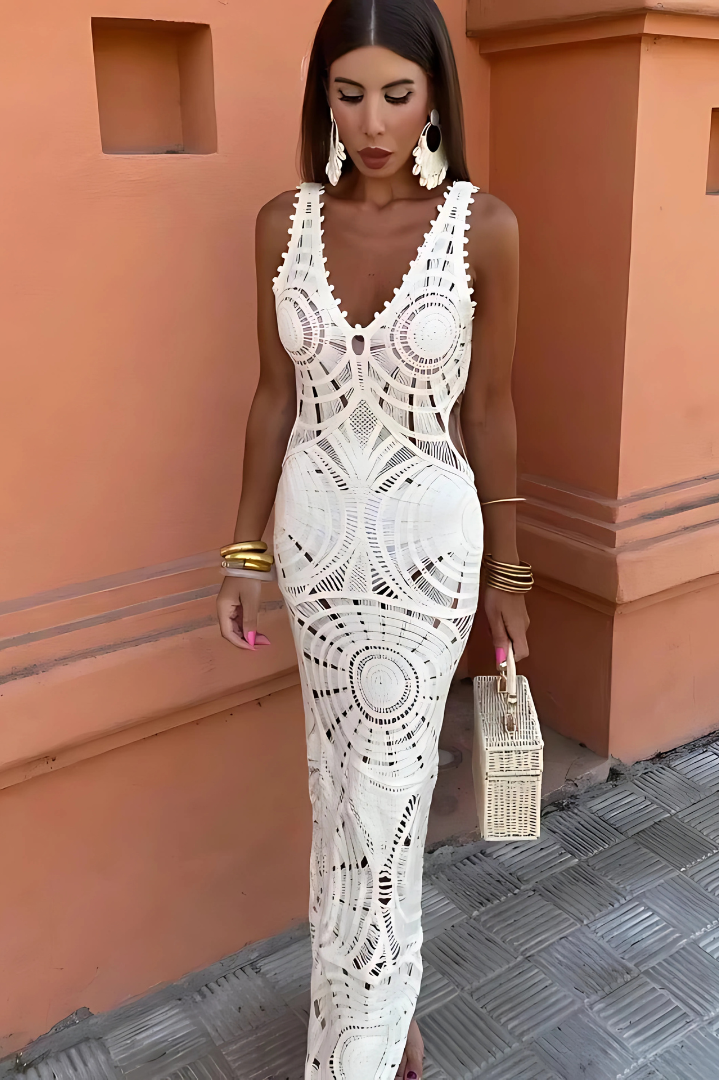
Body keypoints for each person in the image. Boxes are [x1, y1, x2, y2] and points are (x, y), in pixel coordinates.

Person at [217, 1, 530, 1075]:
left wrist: (512, 575)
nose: (374, 122)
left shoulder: (484, 228)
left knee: (389, 796)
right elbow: (273, 395)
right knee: (335, 788)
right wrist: (243, 552)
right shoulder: (282, 224)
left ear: (435, 93)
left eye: (398, 93)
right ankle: (377, 1020)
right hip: (315, 549)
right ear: (325, 98)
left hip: (428, 554)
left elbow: (491, 408)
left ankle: (363, 1040)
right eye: (350, 95)